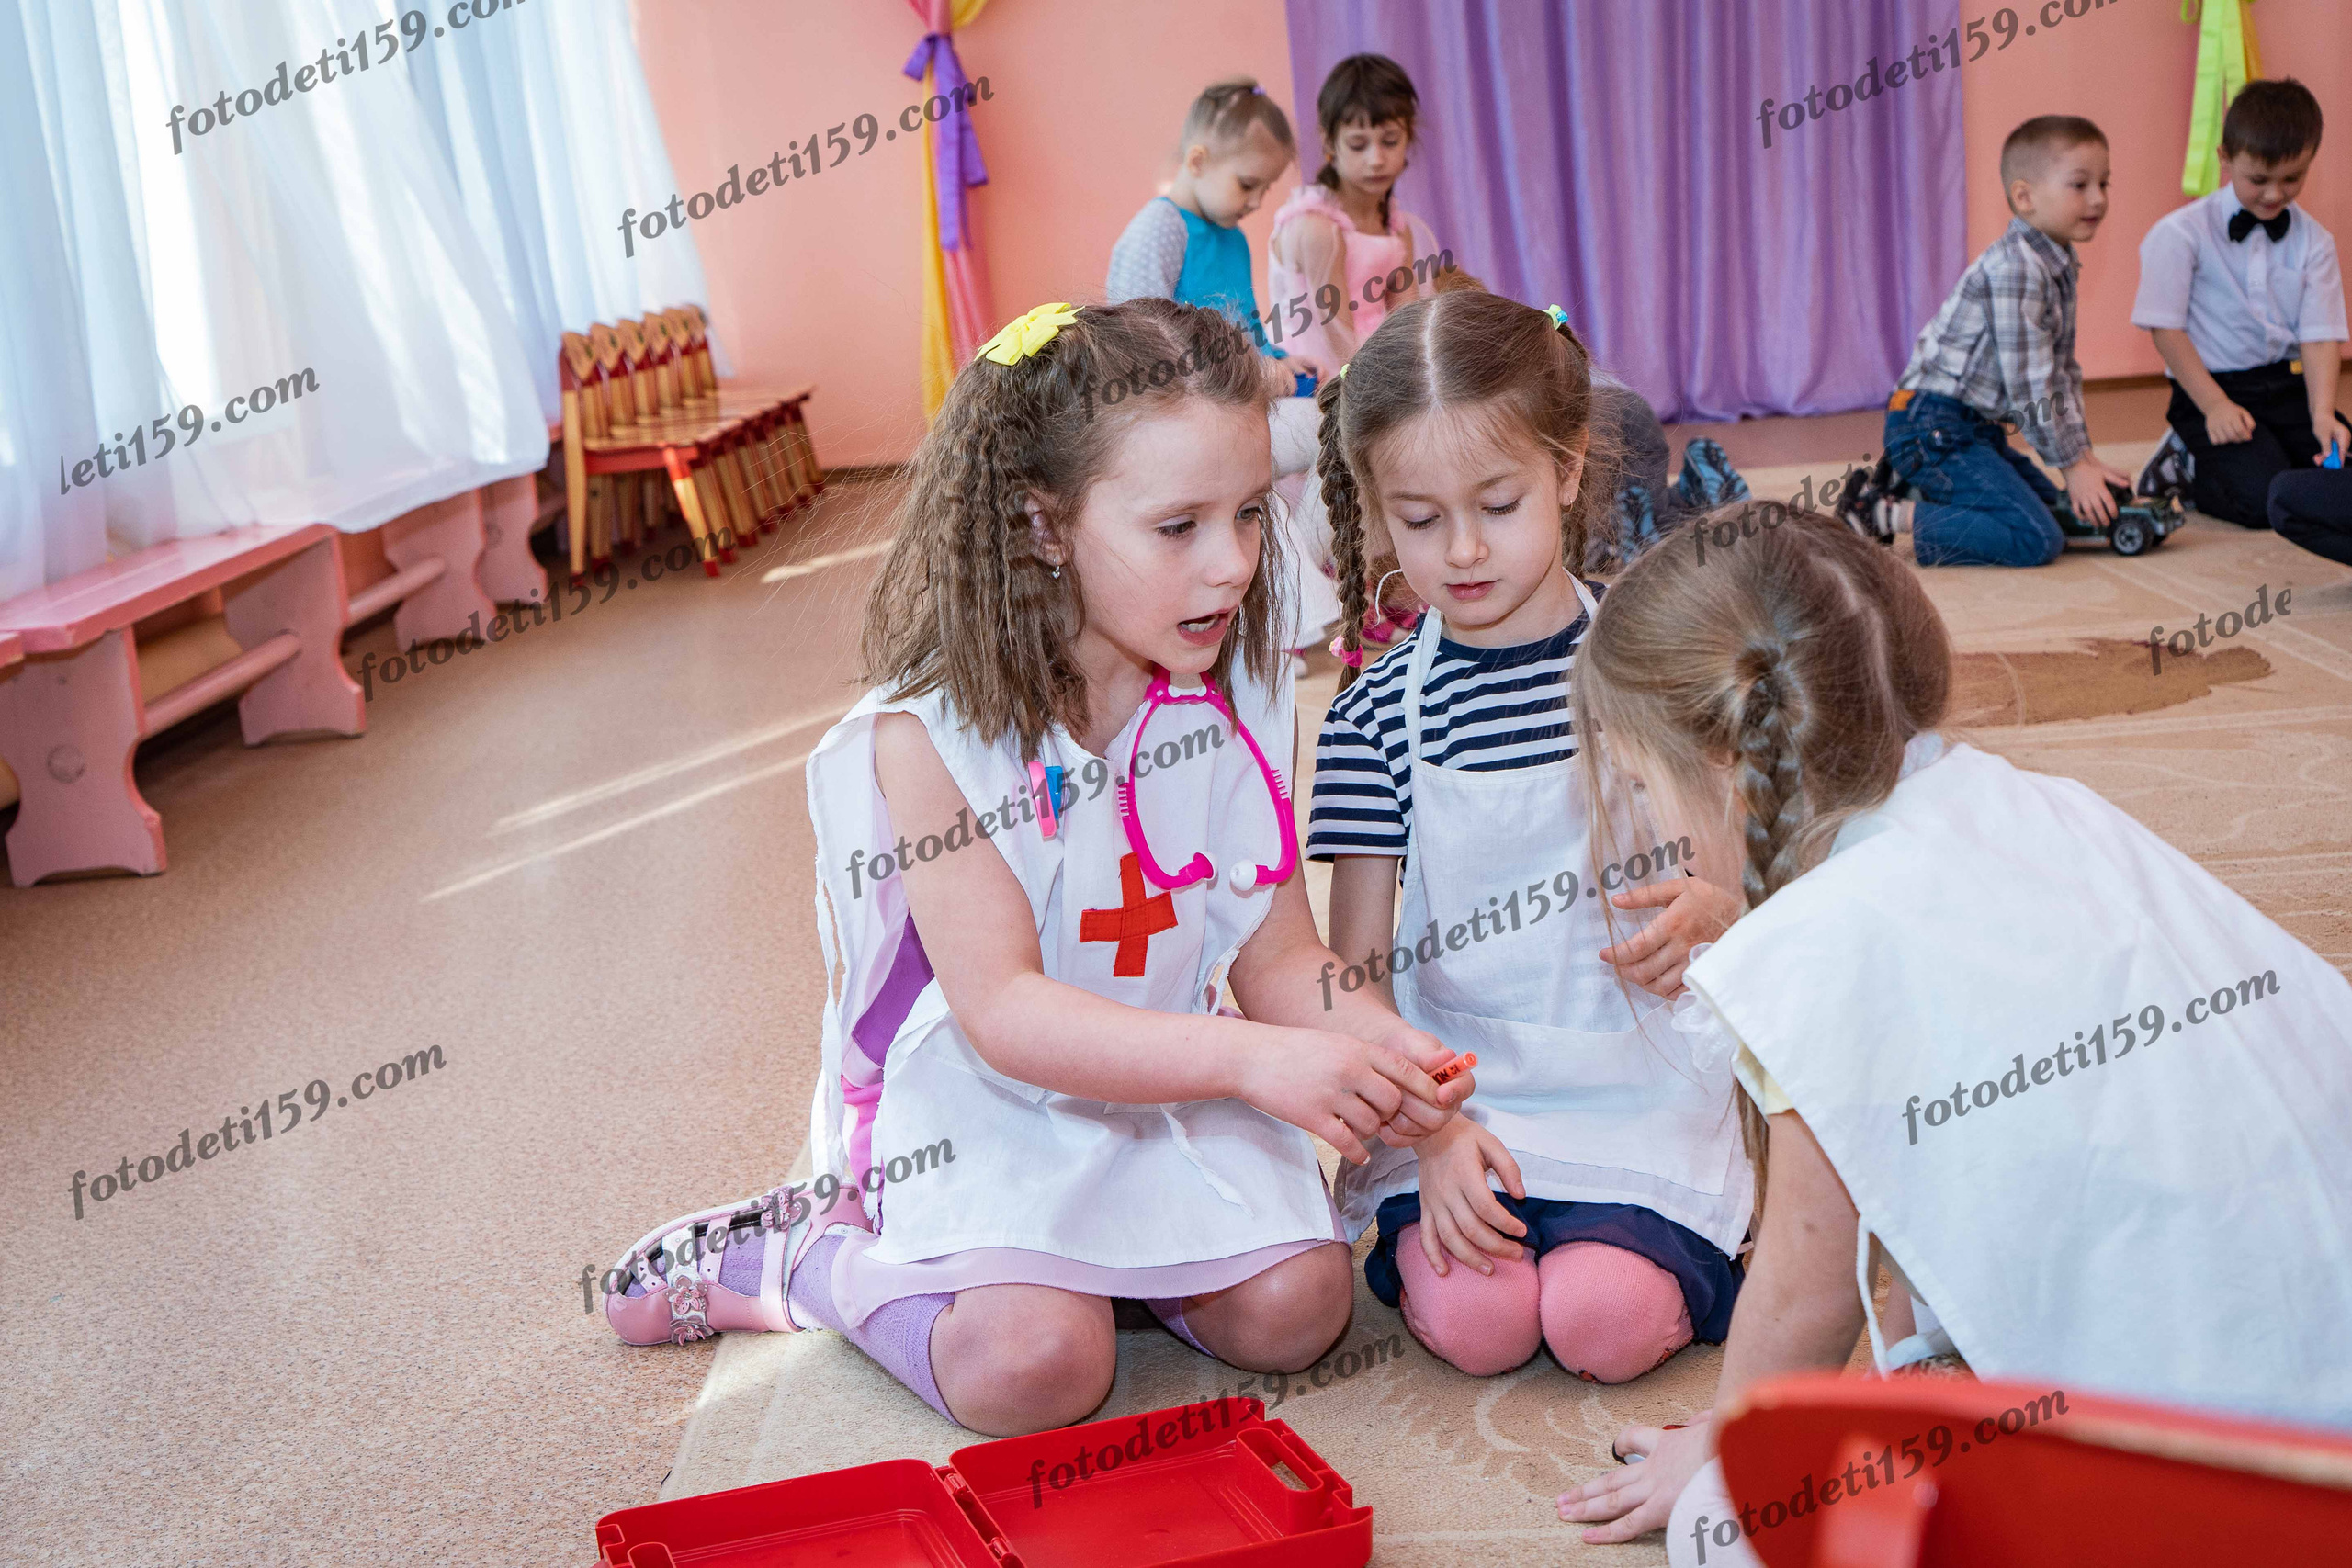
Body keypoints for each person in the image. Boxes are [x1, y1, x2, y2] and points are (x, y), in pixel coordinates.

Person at [600, 299, 1471, 1438]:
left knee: (1300, 1311)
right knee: (1036, 1371)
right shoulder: (931, 735)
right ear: (1043, 524)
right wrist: (1255, 1063)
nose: (1234, 564)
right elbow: (1005, 1013)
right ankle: (813, 1255)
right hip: (986, 1095)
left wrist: (1380, 1038)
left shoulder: (1240, 694)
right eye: (1179, 527)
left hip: (1165, 1070)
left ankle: (1108, 1268)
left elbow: (1281, 958)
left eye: (1252, 513)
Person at [1552, 504, 2352, 1564]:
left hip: (2246, 1471)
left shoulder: (1813, 952)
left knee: (1727, 1528)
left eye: (1646, 783)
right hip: (2311, 1323)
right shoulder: (2025, 804)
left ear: (1730, 770)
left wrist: (1736, 1452)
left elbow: (1805, 1277)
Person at [1305, 290, 1754, 1387]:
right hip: (1461, 1100)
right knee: (1482, 1325)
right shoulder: (1372, 715)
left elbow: (1741, 871)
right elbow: (1351, 977)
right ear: (1373, 512)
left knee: (1602, 1324)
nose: (1460, 549)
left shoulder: (1652, 664)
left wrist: (1717, 911)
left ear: (1565, 469)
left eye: (1498, 503)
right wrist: (1427, 1130)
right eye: (1417, 519)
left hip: (1638, 1085)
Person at [1107, 77, 1338, 659]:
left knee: (1345, 430)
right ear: (1198, 160)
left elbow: (1248, 334)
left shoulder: (1231, 237)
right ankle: (1287, 606)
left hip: (1237, 408)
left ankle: (1291, 587)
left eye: (1264, 189)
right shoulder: (1159, 230)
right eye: (1248, 184)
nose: (1257, 202)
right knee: (1323, 438)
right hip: (1180, 427)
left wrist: (1282, 361)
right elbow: (1140, 349)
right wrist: (1256, 375)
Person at [1878, 116, 2134, 567]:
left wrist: (2083, 458)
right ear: (2024, 196)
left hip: (1974, 430)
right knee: (2034, 539)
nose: (2098, 198)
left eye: (2104, 183)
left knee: (2058, 516)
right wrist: (2072, 466)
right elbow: (2031, 386)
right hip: (1930, 425)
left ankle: (1932, 486)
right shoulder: (2017, 268)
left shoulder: (2057, 262)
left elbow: (2061, 373)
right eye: (2080, 185)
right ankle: (1887, 512)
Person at [2132, 78, 2348, 535]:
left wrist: (2323, 413)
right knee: (2262, 503)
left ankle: (2277, 449)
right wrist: (2214, 406)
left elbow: (2319, 336)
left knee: (2339, 474)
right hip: (2211, 390)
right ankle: (2184, 466)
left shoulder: (2316, 241)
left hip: (2285, 387)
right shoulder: (2180, 234)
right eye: (2259, 180)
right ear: (2226, 159)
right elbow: (2166, 331)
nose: (2274, 195)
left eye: (2292, 178)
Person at [1266, 53, 1446, 379]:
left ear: (1408, 136)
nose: (1377, 159)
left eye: (1390, 141)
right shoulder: (1317, 228)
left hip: (1374, 364)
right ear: (1329, 143)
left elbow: (1406, 320)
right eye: (1358, 144)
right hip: (1320, 377)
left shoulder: (1395, 228)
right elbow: (1335, 336)